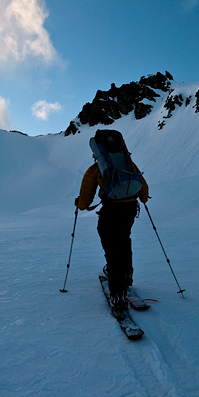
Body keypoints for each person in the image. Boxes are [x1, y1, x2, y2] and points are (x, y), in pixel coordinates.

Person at [74, 133, 149, 310]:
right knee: (125, 239)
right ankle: (127, 276)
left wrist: (79, 203)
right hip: (130, 209)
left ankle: (118, 295)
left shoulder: (96, 169)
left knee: (112, 248)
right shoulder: (129, 163)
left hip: (111, 211)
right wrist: (143, 199)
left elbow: (85, 202)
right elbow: (143, 189)